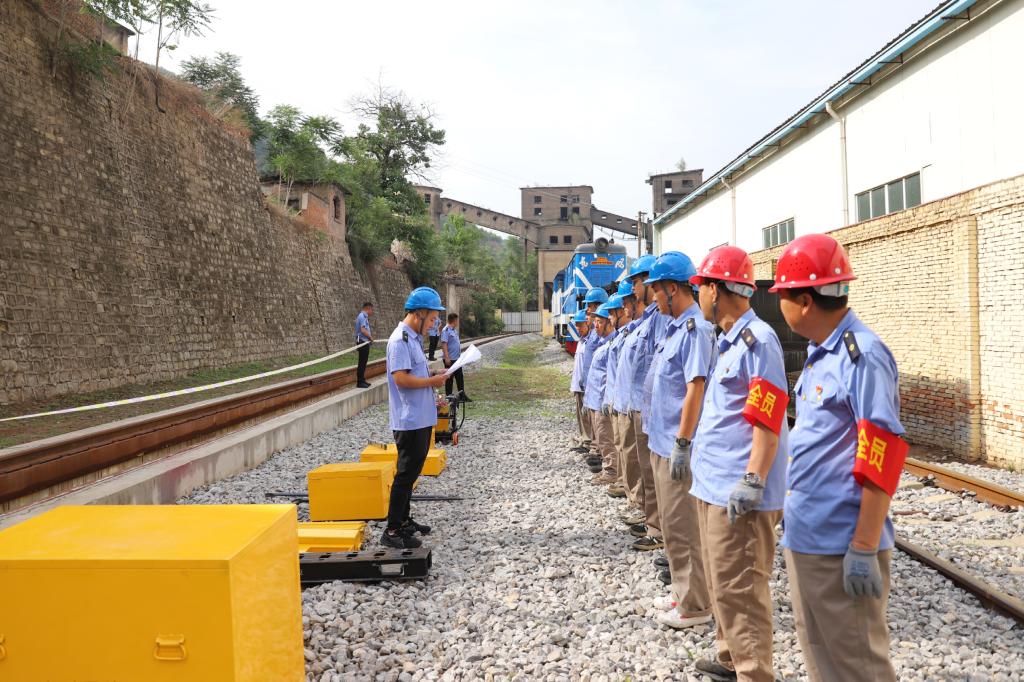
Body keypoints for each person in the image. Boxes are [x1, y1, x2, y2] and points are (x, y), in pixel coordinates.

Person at [770, 234, 906, 682]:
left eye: (783, 296)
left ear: (805, 301)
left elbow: (882, 454)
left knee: (858, 666)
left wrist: (864, 547)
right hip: (808, 537)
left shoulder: (861, 355)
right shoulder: (821, 352)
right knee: (821, 656)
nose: (780, 306)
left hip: (840, 543)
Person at [688, 246, 789, 682]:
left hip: (737, 490)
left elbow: (767, 417)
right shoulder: (727, 340)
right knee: (722, 581)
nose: (699, 297)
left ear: (716, 290)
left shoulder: (758, 341)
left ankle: (753, 673)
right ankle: (730, 659)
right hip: (713, 484)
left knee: (742, 588)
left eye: (701, 288)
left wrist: (753, 479)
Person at [643, 251, 714, 630]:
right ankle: (681, 591)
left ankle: (695, 605)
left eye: (656, 290)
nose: (652, 297)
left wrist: (683, 443)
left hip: (677, 445)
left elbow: (695, 388)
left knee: (684, 526)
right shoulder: (674, 329)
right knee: (672, 524)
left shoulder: (695, 330)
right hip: (661, 441)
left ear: (672, 289)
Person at [382, 286, 449, 549]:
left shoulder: (412, 339)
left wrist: (432, 379)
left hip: (419, 416)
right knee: (405, 475)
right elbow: (401, 378)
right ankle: (392, 530)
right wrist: (431, 382)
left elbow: (414, 374)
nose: (433, 324)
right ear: (419, 314)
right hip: (409, 419)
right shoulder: (400, 340)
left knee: (412, 474)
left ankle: (404, 520)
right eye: (431, 319)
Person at [618, 254, 667, 558]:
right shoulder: (650, 319)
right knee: (648, 471)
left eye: (637, 282)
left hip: (654, 410)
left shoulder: (660, 319)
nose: (635, 289)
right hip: (642, 404)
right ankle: (653, 523)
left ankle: (658, 530)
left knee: (654, 473)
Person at [583, 299, 617, 485]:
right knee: (602, 437)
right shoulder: (603, 344)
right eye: (595, 321)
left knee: (606, 438)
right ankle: (608, 469)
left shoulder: (612, 345)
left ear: (609, 322)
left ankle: (612, 472)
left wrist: (608, 400)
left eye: (599, 321)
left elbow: (612, 376)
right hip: (595, 400)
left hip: (603, 400)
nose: (595, 325)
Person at [602, 290, 632, 499]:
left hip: (628, 403)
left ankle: (630, 488)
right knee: (621, 445)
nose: (610, 318)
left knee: (629, 450)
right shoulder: (622, 336)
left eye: (612, 314)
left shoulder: (628, 335)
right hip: (618, 400)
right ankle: (624, 483)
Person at [569, 310, 595, 463]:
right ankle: (585, 440)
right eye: (577, 325)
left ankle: (590, 443)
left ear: (588, 324)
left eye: (580, 325)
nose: (578, 328)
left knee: (587, 416)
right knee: (580, 415)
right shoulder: (581, 341)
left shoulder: (590, 342)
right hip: (577, 385)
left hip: (585, 386)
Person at [440, 313, 470, 401]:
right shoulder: (445, 330)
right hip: (450, 359)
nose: (458, 322)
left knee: (460, 377)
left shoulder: (454, 330)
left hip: (457, 358)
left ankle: (462, 396)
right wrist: (447, 357)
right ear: (454, 321)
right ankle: (449, 397)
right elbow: (444, 344)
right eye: (457, 320)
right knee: (449, 378)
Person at [355, 302, 374, 388]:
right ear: (368, 308)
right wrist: (370, 337)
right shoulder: (362, 316)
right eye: (371, 309)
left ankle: (362, 380)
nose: (372, 311)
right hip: (362, 341)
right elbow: (363, 330)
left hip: (364, 341)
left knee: (363, 362)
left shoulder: (363, 317)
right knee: (362, 362)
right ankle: (360, 382)